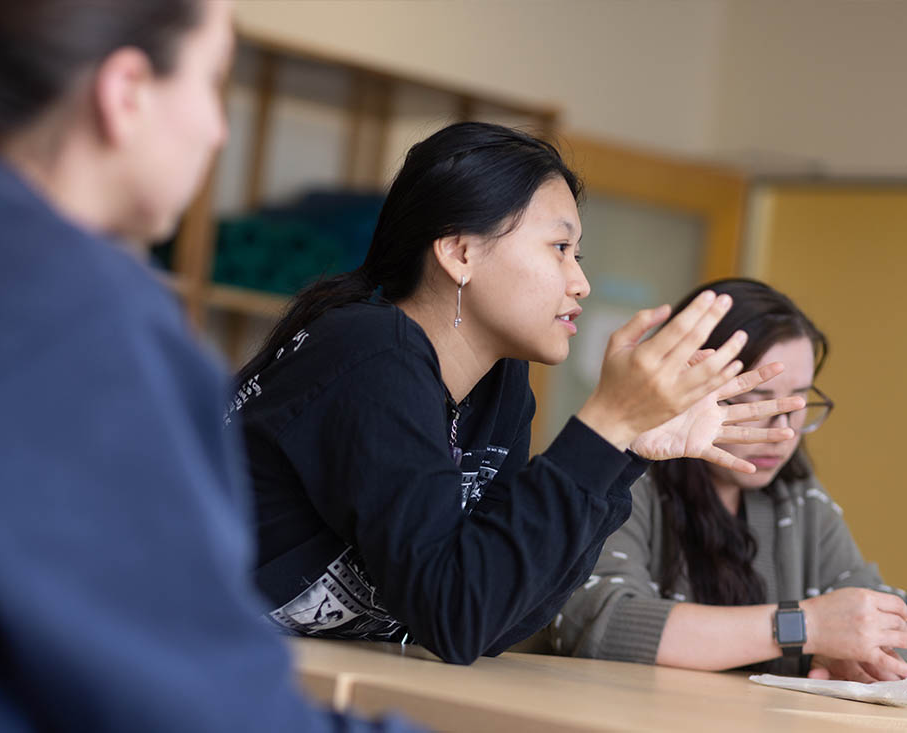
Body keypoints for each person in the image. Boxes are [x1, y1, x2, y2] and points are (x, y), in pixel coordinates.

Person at [0, 0, 414, 730]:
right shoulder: (73, 320)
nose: (218, 130)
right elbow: (211, 715)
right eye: (212, 81)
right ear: (124, 91)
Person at [230, 122, 804, 665]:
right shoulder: (371, 353)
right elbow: (455, 617)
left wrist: (623, 449)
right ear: (460, 253)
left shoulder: (499, 384)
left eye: (576, 256)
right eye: (559, 248)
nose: (579, 281)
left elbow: (497, 618)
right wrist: (602, 427)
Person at [522, 278, 907, 681]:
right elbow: (600, 620)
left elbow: (878, 617)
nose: (784, 430)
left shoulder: (798, 495)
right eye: (757, 400)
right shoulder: (625, 473)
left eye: (798, 402)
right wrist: (805, 628)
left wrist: (848, 653)